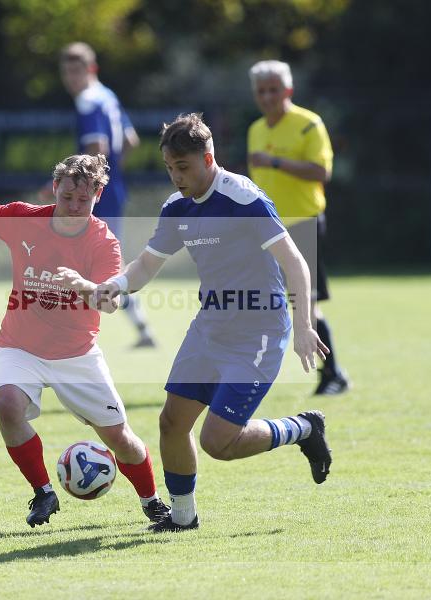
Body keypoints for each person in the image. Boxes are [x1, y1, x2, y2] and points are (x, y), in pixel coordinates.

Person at [83, 114, 333, 532]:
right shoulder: (177, 208)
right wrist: (118, 285)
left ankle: (303, 428)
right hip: (210, 327)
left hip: (259, 331)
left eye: (183, 167)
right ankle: (183, 517)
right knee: (171, 423)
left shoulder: (243, 199)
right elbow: (148, 263)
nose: (176, 177)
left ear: (208, 159)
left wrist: (304, 324)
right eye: (169, 168)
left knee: (218, 443)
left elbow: (294, 261)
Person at [0, 154, 170, 528]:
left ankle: (152, 501)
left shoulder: (103, 242)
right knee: (6, 404)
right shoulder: (25, 219)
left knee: (120, 439)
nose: (73, 206)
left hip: (77, 354)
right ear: (55, 188)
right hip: (19, 345)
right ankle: (43, 493)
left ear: (98, 196)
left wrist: (85, 287)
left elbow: (112, 302)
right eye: (67, 196)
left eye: (83, 200)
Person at [247, 60, 350, 395]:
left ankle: (333, 374)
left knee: (306, 303)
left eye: (273, 90)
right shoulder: (256, 130)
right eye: (261, 91)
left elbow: (322, 172)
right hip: (268, 229)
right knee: (261, 302)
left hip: (304, 224)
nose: (267, 97)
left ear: (288, 90)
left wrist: (276, 162)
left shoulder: (308, 125)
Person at [57, 41, 156, 348]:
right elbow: (130, 139)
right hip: (110, 190)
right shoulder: (107, 95)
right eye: (67, 72)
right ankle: (140, 328)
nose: (72, 78)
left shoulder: (88, 101)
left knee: (81, 258)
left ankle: (70, 331)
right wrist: (111, 174)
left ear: (91, 69)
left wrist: (78, 185)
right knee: (101, 260)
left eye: (77, 71)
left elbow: (96, 148)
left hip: (93, 195)